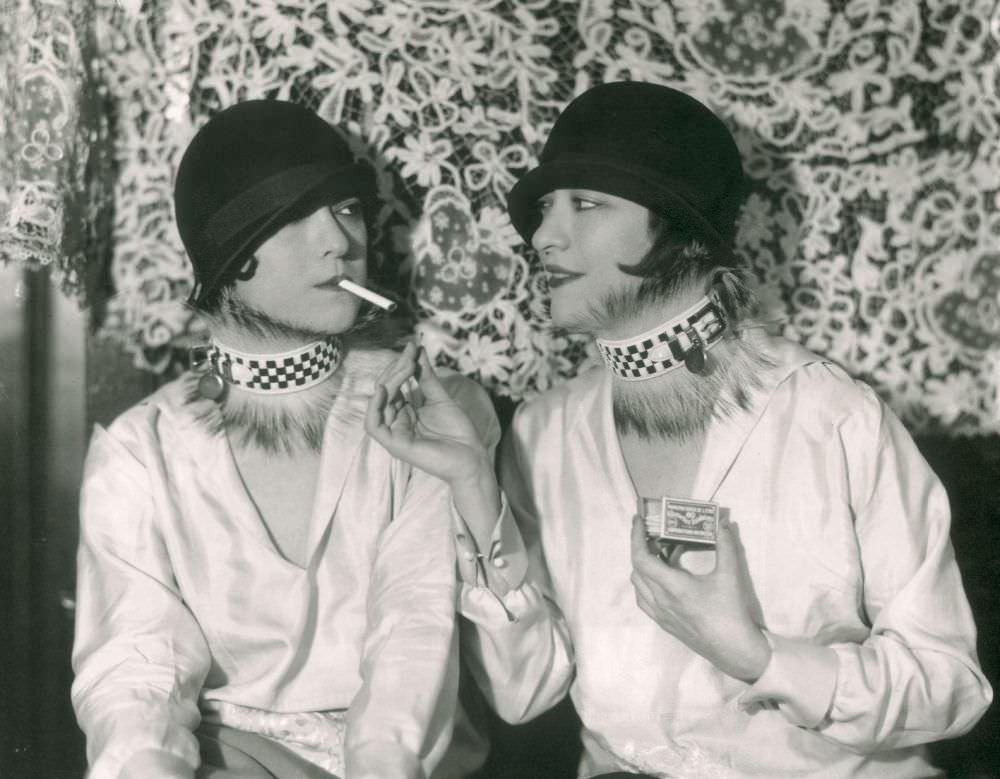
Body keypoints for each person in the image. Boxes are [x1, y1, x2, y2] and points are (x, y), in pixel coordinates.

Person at [364, 81, 993, 778]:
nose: (542, 236)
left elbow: (950, 684)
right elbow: (522, 690)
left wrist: (760, 657)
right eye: (545, 208)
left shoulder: (832, 417)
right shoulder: (546, 434)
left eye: (587, 203)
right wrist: (473, 485)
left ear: (680, 226)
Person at [71, 100, 498, 779]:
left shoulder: (425, 412)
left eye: (348, 208)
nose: (340, 240)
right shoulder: (141, 450)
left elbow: (412, 634)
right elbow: (136, 671)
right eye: (300, 215)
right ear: (233, 254)